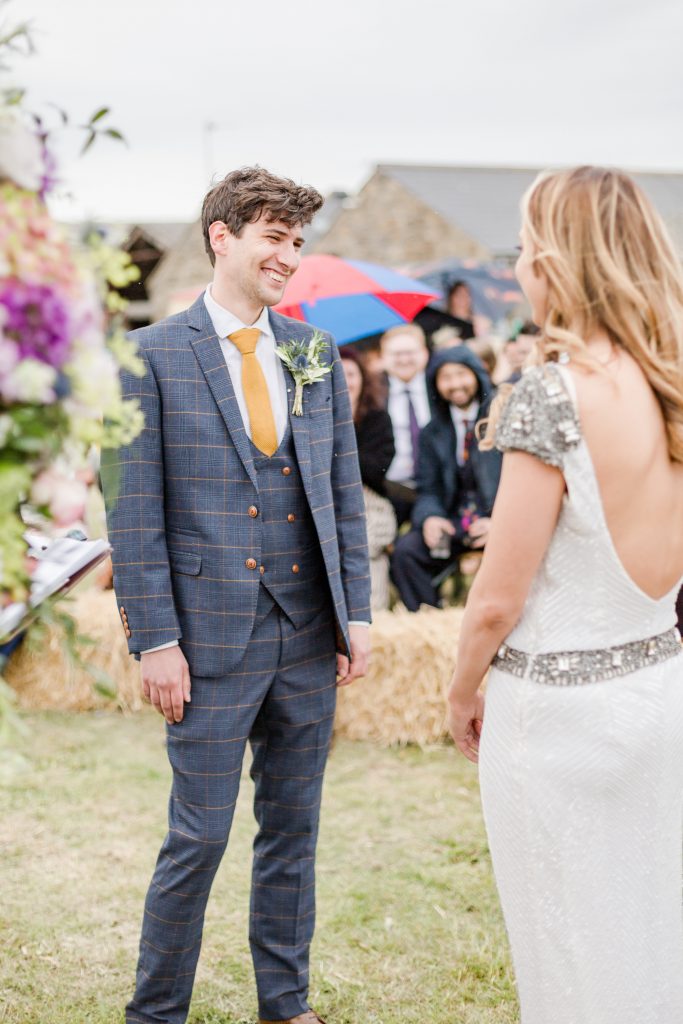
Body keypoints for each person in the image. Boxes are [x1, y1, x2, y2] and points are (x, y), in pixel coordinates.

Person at [101, 166, 371, 1024]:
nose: (288, 256)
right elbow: (132, 514)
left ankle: (285, 1005)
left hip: (306, 634)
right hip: (205, 642)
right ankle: (156, 1013)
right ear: (222, 236)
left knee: (293, 836)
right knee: (200, 838)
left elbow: (339, 491)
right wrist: (154, 639)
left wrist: (354, 614)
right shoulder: (145, 358)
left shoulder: (314, 352)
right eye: (273, 238)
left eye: (297, 242)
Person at [447, 166, 683, 1023]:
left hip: (557, 719)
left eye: (525, 242)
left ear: (560, 257)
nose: (519, 266)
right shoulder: (669, 381)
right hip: (658, 696)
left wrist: (460, 690)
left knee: (566, 945)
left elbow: (496, 601)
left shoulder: (551, 394)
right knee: (651, 922)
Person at [390, 346, 501, 611]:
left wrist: (498, 521)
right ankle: (429, 619)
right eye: (445, 378)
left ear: (476, 375)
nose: (455, 385)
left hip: (497, 521)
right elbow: (428, 488)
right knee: (407, 552)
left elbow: (519, 485)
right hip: (454, 523)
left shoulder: (501, 419)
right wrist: (431, 517)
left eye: (461, 374)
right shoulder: (432, 432)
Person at [339, 345, 396, 610]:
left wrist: (339, 446)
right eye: (336, 373)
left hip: (370, 503)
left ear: (362, 378)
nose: (345, 381)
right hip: (331, 504)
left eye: (351, 374)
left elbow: (377, 468)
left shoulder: (377, 419)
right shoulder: (313, 419)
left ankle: (372, 615)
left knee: (366, 546)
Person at [379, 323, 434, 525]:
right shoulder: (374, 394)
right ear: (383, 358)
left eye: (410, 352)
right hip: (390, 488)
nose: (404, 360)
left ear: (424, 354)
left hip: (434, 489)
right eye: (396, 354)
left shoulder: (439, 388)